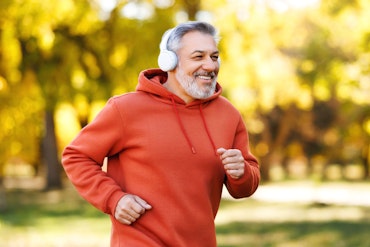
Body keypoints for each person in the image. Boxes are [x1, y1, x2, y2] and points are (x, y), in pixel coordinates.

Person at [62, 21, 260, 247]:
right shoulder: (125, 109)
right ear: (170, 61)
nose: (210, 66)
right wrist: (114, 199)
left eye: (214, 57)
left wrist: (241, 172)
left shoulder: (228, 114)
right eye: (198, 57)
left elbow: (246, 185)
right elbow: (76, 157)